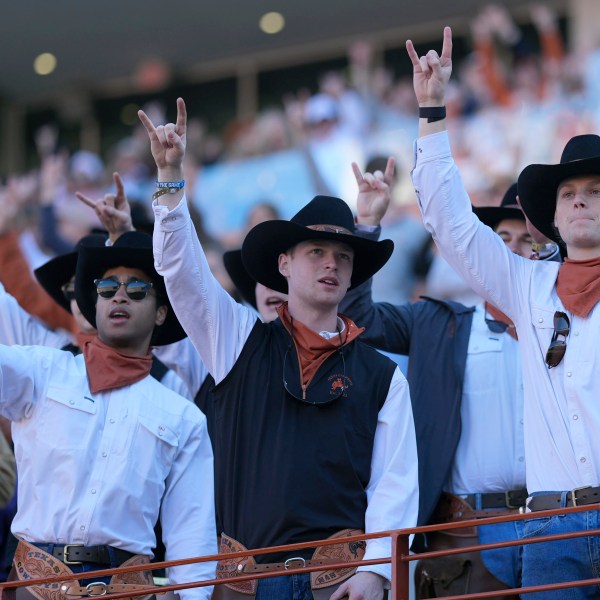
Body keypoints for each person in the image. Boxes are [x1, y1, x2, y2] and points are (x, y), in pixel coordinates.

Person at [140, 98, 419, 600]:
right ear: (285, 264)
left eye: (342, 256)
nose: (330, 264)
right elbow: (182, 274)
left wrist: (376, 572)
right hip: (245, 584)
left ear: (353, 273)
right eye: (316, 252)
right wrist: (170, 178)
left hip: (340, 585)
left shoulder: (382, 375)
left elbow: (394, 484)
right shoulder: (238, 339)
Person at [407, 26, 600, 598]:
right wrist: (433, 112)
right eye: (568, 193)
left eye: (595, 188)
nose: (581, 199)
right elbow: (449, 221)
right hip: (548, 532)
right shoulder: (525, 283)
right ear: (555, 219)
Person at [345, 179, 547, 598]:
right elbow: (355, 317)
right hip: (461, 534)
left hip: (555, 528)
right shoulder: (438, 323)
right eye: (501, 238)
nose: (510, 249)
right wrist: (366, 226)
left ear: (542, 250)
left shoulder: (569, 323)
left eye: (525, 239)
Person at [0, 231, 216, 600]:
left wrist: (190, 595)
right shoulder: (42, 370)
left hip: (126, 587)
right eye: (106, 288)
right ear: (94, 305)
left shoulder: (184, 416)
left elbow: (192, 532)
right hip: (37, 585)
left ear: (162, 312)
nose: (119, 295)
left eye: (136, 289)